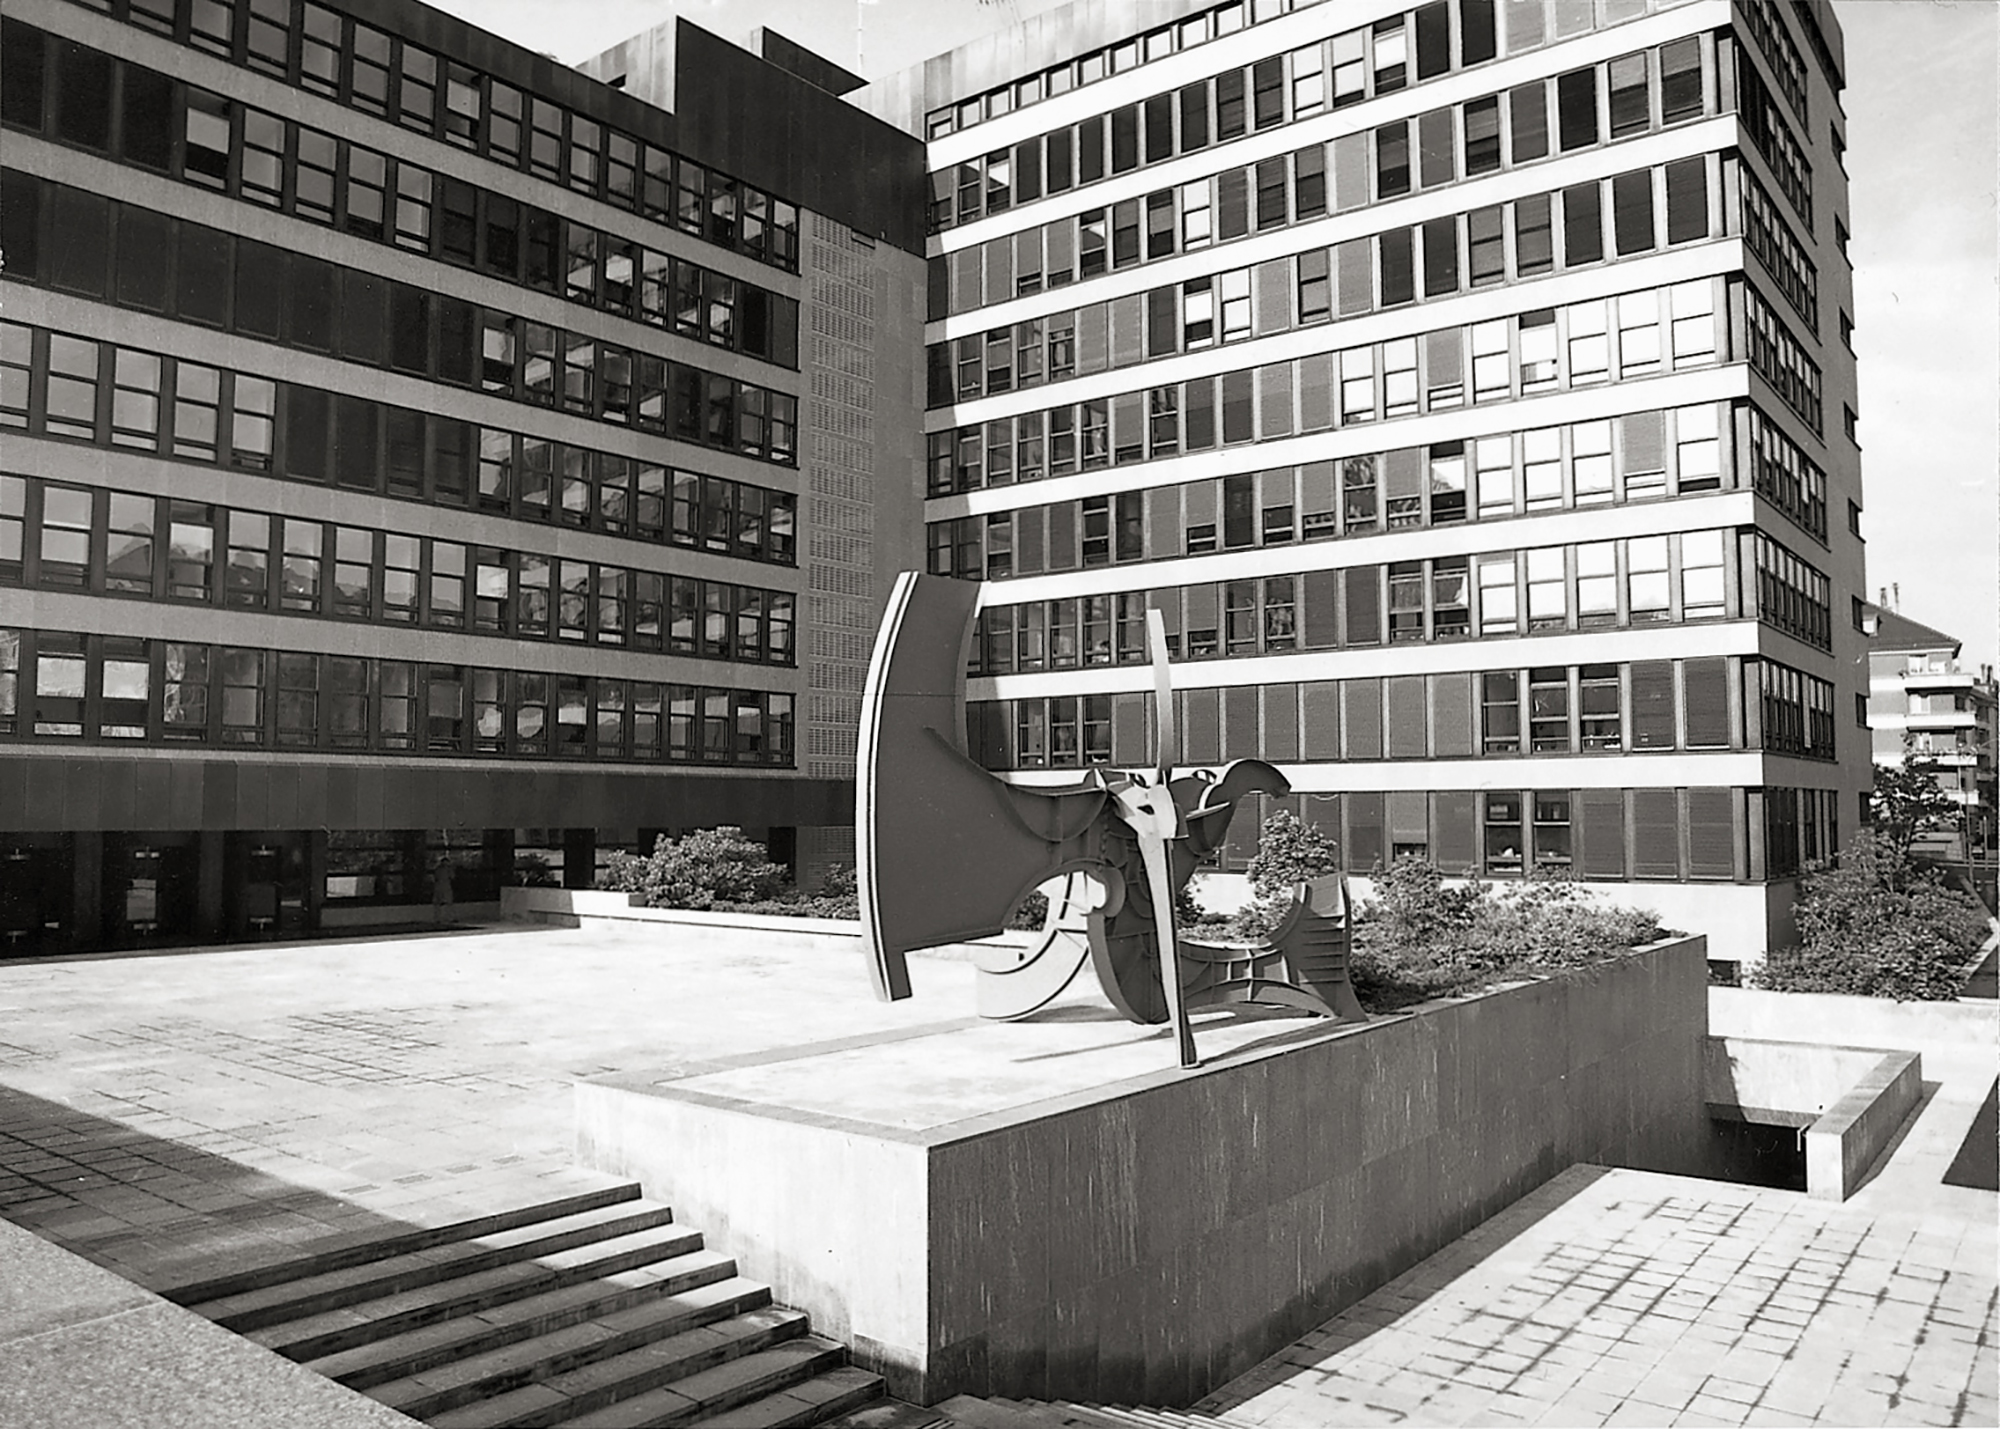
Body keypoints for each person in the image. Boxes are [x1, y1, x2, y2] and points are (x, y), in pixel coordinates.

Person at [431, 854, 455, 921]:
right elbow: (452, 876)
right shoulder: (448, 869)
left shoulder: (437, 869)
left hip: (438, 887)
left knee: (437, 903)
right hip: (446, 887)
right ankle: (449, 917)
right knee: (448, 903)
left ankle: (437, 918)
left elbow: (435, 877)